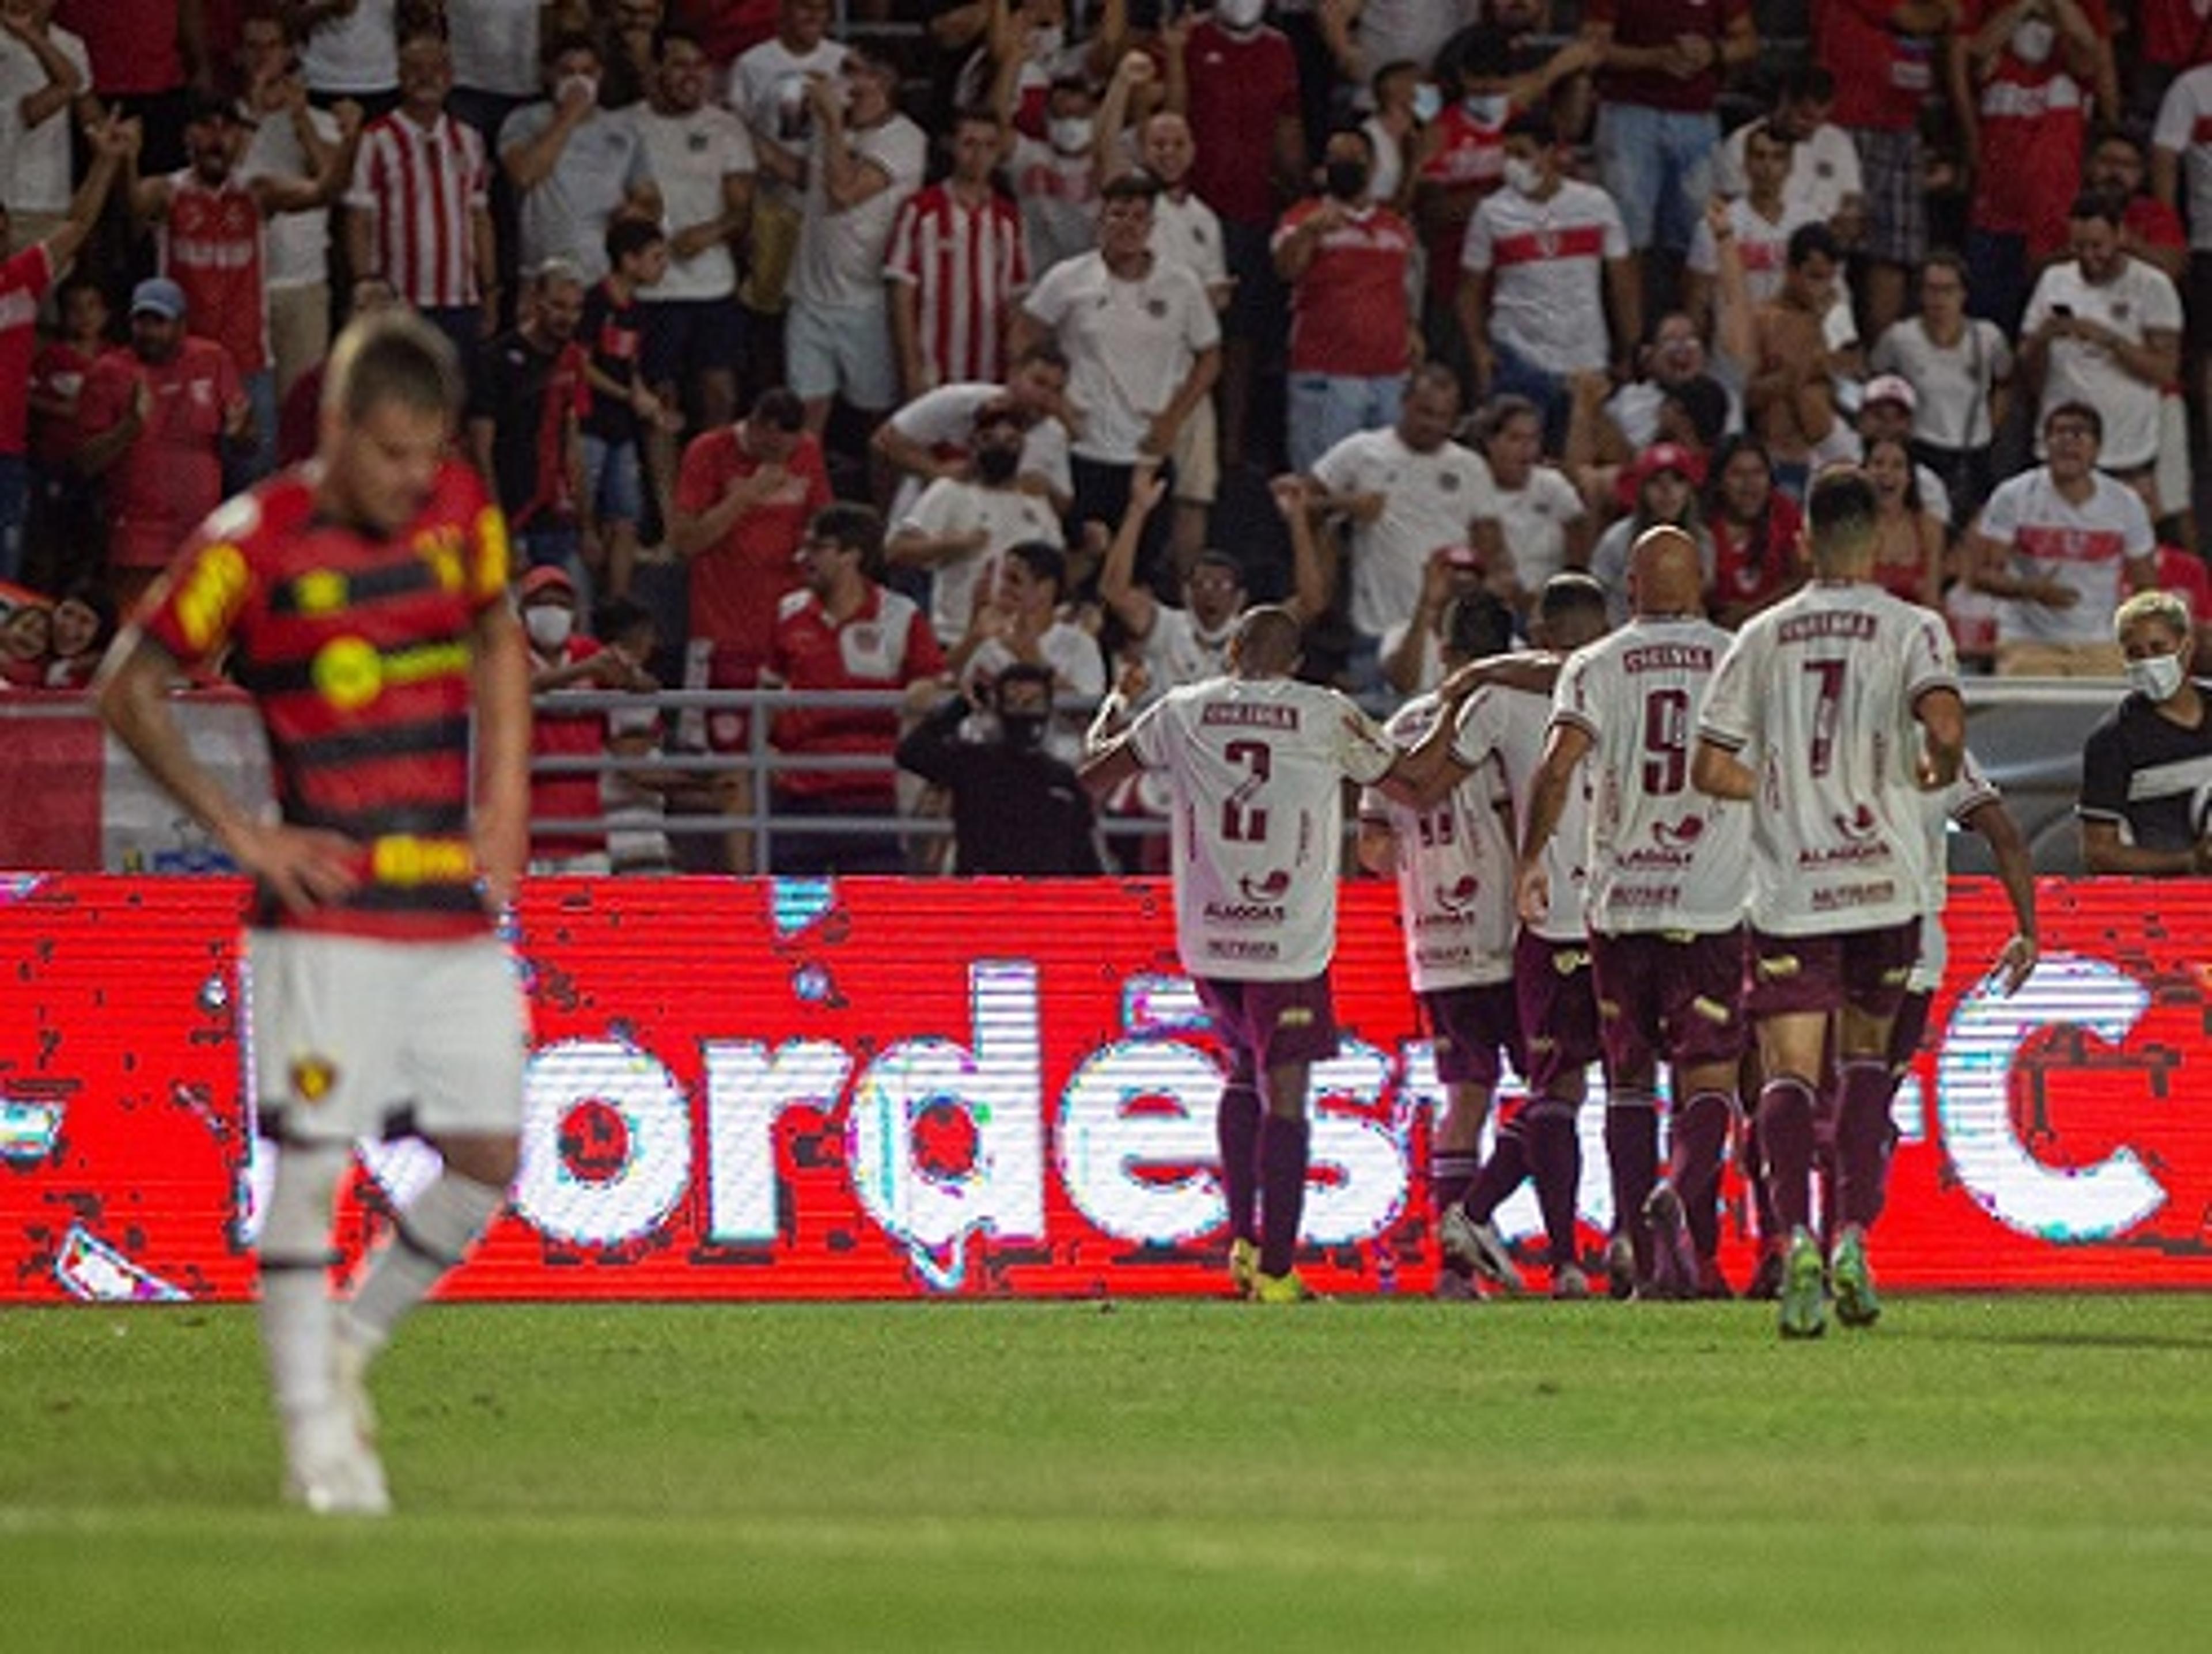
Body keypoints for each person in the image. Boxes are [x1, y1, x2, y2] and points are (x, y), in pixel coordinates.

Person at [94, 309, 531, 1516]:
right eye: (389, 453)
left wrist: (505, 804)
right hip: (326, 916)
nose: (410, 479)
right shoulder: (252, 542)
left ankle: (350, 1338)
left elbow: (498, 634)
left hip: (443, 898)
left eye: (425, 454)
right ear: (334, 431)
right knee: (314, 1165)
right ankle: (314, 1444)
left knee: (492, 1153)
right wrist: (240, 833)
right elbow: (123, 683)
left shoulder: (460, 513)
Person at [1692, 464, 1967, 1340]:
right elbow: (1947, 729)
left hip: (1792, 888)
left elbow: (1708, 765)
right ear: (1880, 539)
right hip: (1884, 883)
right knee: (1863, 1072)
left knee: (1786, 1074)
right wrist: (1934, 769)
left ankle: (1796, 1239)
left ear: (1803, 538)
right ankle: (1854, 1237)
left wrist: (1771, 789)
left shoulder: (1764, 634)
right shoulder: (1913, 627)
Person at [1079, 605, 1408, 1303]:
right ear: (1293, 663)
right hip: (1287, 939)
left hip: (1209, 940)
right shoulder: (1325, 710)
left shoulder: (1185, 706)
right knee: (1285, 1097)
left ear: (1231, 651)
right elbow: (1402, 777)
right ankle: (1281, 1273)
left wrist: (1115, 701)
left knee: (1239, 1072)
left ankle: (1244, 1245)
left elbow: (1095, 773)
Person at [1516, 529, 1750, 1300]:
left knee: (1628, 1082)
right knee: (1707, 1081)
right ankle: (1693, 1231)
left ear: (1631, 587)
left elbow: (1556, 770)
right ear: (1704, 581)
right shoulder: (1736, 655)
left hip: (1620, 906)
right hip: (1712, 904)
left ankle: (1640, 1261)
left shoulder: (1595, 663)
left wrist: (1530, 860)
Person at [1407, 574, 1610, 1299]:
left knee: (1531, 1086)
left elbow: (1420, 787)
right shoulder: (1625, 677)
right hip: (1615, 910)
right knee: (1578, 1087)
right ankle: (1563, 1255)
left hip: (1518, 919)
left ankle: (1526, 1244)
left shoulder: (1496, 696)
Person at [1355, 590, 1523, 1299]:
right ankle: (1488, 1219)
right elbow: (1524, 821)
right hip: (1512, 934)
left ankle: (1454, 1272)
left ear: (1445, 651)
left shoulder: (1399, 727)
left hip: (1435, 940)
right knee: (1558, 1089)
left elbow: (1370, 849)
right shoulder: (1509, 722)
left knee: (1465, 1096)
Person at [1012, 170, 1220, 597]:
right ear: (1100, 219)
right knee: (1078, 567)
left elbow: (1211, 356)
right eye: (1118, 214)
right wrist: (1053, 402)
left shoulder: (1181, 285)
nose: (1128, 225)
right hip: (1081, 450)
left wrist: (1173, 418)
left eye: (1139, 217)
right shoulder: (1068, 279)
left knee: (1137, 580)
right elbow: (1023, 335)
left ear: (1152, 227)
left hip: (1146, 453)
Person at [669, 384, 831, 871]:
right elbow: (685, 540)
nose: (783, 457)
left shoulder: (807, 453)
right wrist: (746, 497)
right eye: (771, 447)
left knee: (789, 764)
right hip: (722, 635)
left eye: (789, 449)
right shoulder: (708, 453)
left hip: (788, 640)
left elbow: (825, 523)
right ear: (756, 426)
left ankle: (789, 876)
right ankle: (740, 881)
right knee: (726, 771)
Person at [764, 501, 945, 875]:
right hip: (800, 793)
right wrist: (766, 747)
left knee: (874, 917)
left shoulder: (901, 615)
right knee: (795, 919)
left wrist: (924, 689)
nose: (803, 557)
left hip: (871, 794)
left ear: (851, 555)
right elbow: (769, 688)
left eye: (817, 548)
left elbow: (930, 678)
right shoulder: (788, 611)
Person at [1306, 363, 1501, 704]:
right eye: (1425, 412)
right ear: (1404, 403)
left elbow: (1490, 549)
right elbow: (1296, 500)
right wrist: (1347, 504)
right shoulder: (1362, 451)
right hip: (1376, 630)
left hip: (1445, 639)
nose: (1433, 424)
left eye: (1444, 416)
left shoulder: (1470, 467)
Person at [773, 40, 927, 437]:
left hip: (866, 301)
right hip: (810, 295)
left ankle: (885, 497)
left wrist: (833, 124)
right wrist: (740, 132)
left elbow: (843, 193)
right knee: (806, 414)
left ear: (884, 81)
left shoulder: (905, 139)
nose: (844, 82)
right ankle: (804, 496)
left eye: (854, 72)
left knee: (880, 419)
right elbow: (812, 181)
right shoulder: (833, 128)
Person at [75, 276, 252, 613]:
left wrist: (241, 431)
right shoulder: (108, 372)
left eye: (160, 322)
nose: (149, 332)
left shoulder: (213, 360)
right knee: (140, 641)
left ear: (182, 324)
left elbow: (247, 444)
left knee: (202, 643)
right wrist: (129, 428)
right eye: (142, 321)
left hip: (202, 534)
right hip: (137, 538)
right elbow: (83, 463)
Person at [0, 109, 124, 586]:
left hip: (10, 455)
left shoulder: (22, 280)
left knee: (8, 583)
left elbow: (77, 223)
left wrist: (107, 163)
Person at [2018, 192, 2183, 513]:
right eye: (2079, 247)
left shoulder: (2153, 286)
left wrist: (2108, 339)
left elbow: (2165, 370)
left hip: (2126, 451)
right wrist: (2042, 339)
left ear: (2120, 234)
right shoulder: (2054, 280)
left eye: (2098, 246)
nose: (2089, 256)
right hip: (2059, 449)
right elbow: (2026, 365)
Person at [1965, 400, 2157, 676]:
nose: (2068, 442)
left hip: (2101, 643)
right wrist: (2031, 590)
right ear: (2045, 445)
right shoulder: (2013, 496)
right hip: (2028, 642)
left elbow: (2146, 585)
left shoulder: (2125, 503)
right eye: (2059, 433)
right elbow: (1979, 575)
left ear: (2097, 448)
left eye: (2078, 434)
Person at [346, 25, 501, 367]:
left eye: (436, 69)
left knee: (457, 402)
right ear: (399, 77)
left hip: (460, 298)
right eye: (416, 69)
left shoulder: (469, 138)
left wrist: (489, 290)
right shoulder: (377, 138)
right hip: (399, 298)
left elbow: (480, 217)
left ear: (450, 78)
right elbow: (359, 218)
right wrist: (364, 287)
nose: (426, 78)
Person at [634, 24, 754, 437]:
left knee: (720, 391)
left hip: (713, 285)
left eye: (700, 65)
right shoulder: (627, 126)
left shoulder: (727, 128)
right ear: (655, 70)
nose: (692, 75)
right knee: (659, 398)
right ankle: (669, 500)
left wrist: (711, 232)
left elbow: (742, 210)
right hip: (651, 288)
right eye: (679, 65)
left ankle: (712, 479)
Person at [895, 661, 1104, 875]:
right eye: (1014, 702)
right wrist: (962, 707)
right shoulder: (973, 763)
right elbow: (912, 753)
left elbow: (1084, 856)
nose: (1024, 712)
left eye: (1033, 703)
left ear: (1048, 707)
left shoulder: (1062, 779)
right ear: (999, 706)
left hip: (1044, 898)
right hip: (985, 894)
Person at [888, 398, 1065, 648]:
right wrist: (953, 545)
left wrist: (1091, 553)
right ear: (973, 443)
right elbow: (897, 551)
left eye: (1011, 441)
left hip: (1021, 642)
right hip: (956, 637)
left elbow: (1058, 570)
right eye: (990, 439)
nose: (1001, 448)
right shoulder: (950, 491)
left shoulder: (1035, 502)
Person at [886, 103, 1027, 401]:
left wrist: (1016, 366)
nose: (979, 156)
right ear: (951, 146)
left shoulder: (1009, 218)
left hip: (991, 367)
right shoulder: (921, 210)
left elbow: (1015, 298)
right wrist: (911, 367)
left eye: (989, 145)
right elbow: (901, 294)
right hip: (933, 365)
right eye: (969, 144)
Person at [499, 31, 661, 284]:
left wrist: (636, 212)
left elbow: (650, 198)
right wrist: (569, 116)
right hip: (546, 272)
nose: (578, 81)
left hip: (606, 272)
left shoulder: (623, 129)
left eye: (587, 72)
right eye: (567, 72)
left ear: (600, 75)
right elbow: (524, 175)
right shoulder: (524, 120)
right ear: (549, 74)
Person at [1868, 251, 2013, 530]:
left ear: (1963, 294)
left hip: (1974, 454)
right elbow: (1877, 379)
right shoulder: (1900, 338)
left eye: (1948, 290)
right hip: (1923, 447)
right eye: (1931, 290)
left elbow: (2005, 381)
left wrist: (1993, 424)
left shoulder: (1988, 337)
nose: (1939, 299)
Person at [468, 257, 590, 587]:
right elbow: (481, 450)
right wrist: (498, 531)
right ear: (534, 300)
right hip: (512, 513)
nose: (568, 317)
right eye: (558, 306)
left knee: (572, 622)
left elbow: (572, 440)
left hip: (555, 517)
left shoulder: (572, 359)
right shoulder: (495, 360)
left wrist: (586, 525)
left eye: (576, 309)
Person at [2078, 588, 2212, 873]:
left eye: (2158, 648)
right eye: (2135, 654)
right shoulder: (2112, 740)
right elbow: (2099, 853)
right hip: (2164, 900)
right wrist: (2189, 861)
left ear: (2186, 649)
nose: (2148, 662)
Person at [1704, 433, 1807, 628]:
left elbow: (1802, 579)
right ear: (1718, 482)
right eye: (1737, 474)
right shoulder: (1702, 524)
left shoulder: (1783, 512)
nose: (1749, 484)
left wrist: (1752, 612)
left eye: (1758, 472)